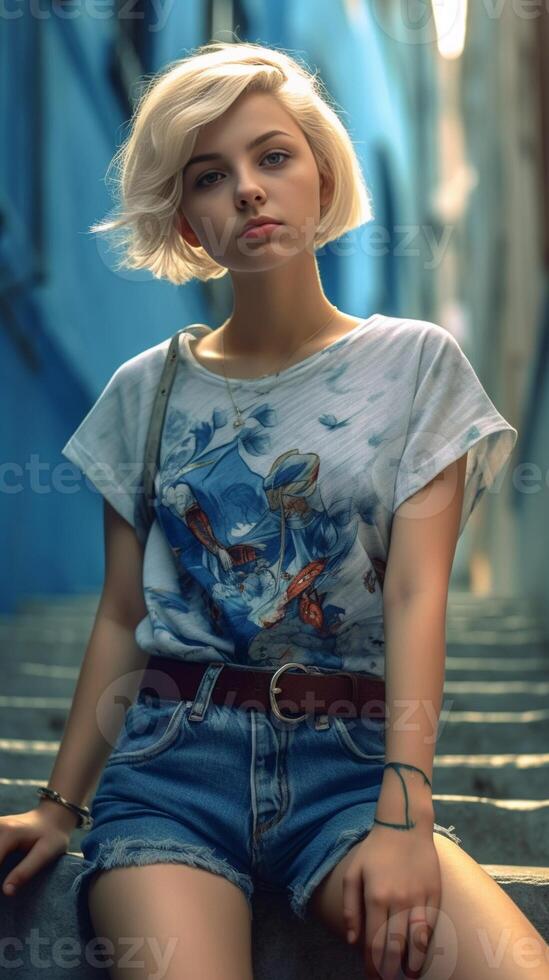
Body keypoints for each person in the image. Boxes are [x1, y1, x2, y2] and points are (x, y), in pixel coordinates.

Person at [1, 39, 547, 980]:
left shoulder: (417, 367)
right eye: (211, 176)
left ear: (323, 173)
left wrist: (405, 810)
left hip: (351, 768)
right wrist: (59, 805)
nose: (247, 190)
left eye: (273, 156)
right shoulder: (146, 390)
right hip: (173, 769)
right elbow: (125, 615)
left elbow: (419, 599)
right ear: (185, 221)